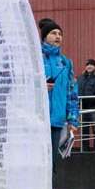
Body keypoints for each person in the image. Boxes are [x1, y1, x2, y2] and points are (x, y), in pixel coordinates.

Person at [39, 18, 79, 177]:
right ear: (44, 37)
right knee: (39, 160)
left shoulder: (66, 62)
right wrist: (40, 87)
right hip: (38, 119)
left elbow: (72, 92)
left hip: (57, 119)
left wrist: (73, 119)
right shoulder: (35, 58)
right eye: (53, 33)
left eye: (60, 34)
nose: (58, 36)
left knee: (53, 162)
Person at [77, 59, 95, 151]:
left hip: (94, 106)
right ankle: (85, 149)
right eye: (87, 65)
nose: (89, 66)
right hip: (83, 106)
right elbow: (77, 90)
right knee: (84, 129)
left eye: (91, 65)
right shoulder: (80, 78)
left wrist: (93, 99)